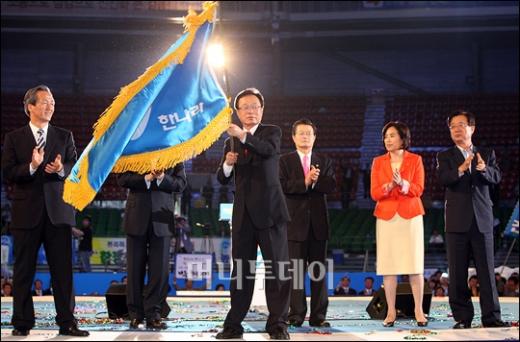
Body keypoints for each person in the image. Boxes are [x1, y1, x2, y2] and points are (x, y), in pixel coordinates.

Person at [1, 85, 89, 337]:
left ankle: (67, 322)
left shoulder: (64, 135)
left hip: (58, 214)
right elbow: (8, 173)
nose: (50, 106)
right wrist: (31, 166)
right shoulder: (14, 138)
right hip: (26, 214)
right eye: (44, 102)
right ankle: (21, 322)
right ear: (30, 106)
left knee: (62, 271)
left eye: (52, 102)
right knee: (23, 271)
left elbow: (75, 168)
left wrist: (61, 169)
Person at [215, 88, 291, 340]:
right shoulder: (231, 141)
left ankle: (278, 324)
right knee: (241, 271)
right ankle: (233, 324)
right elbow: (222, 179)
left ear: (261, 110)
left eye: (254, 106)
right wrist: (227, 163)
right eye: (244, 107)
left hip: (270, 212)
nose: (249, 111)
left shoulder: (272, 132)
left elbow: (267, 151)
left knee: (277, 270)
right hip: (243, 215)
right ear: (237, 112)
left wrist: (244, 137)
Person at [437, 110, 509, 329]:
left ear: (472, 128)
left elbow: (496, 177)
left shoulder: (486, 153)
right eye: (453, 126)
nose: (457, 129)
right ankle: (462, 318)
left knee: (487, 272)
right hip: (456, 221)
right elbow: (444, 179)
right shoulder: (445, 156)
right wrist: (460, 169)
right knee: (457, 273)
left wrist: (484, 169)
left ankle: (492, 317)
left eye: (461, 125)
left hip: (482, 220)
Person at [279, 118, 336, 328]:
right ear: (293, 137)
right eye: (301, 133)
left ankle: (319, 316)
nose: (305, 136)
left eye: (309, 133)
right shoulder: (284, 161)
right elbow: (281, 186)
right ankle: (295, 315)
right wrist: (305, 182)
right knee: (295, 275)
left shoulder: (325, 160)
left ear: (314, 136)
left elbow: (331, 185)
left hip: (319, 226)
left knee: (318, 273)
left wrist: (316, 180)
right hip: (294, 226)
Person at [370, 121, 427, 327]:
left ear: (403, 138)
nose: (388, 140)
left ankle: (419, 310)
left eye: (392, 135)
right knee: (389, 266)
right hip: (386, 217)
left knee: (414, 264)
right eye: (386, 136)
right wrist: (389, 186)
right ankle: (391, 311)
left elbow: (419, 189)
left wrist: (402, 184)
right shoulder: (378, 162)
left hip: (410, 216)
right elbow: (374, 193)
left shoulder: (415, 160)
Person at [118, 164, 187, 330]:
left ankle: (154, 314)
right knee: (134, 270)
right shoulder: (135, 144)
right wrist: (145, 178)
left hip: (162, 217)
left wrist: (162, 177)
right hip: (136, 216)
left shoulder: (173, 150)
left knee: (160, 271)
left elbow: (180, 184)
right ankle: (135, 315)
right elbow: (121, 178)